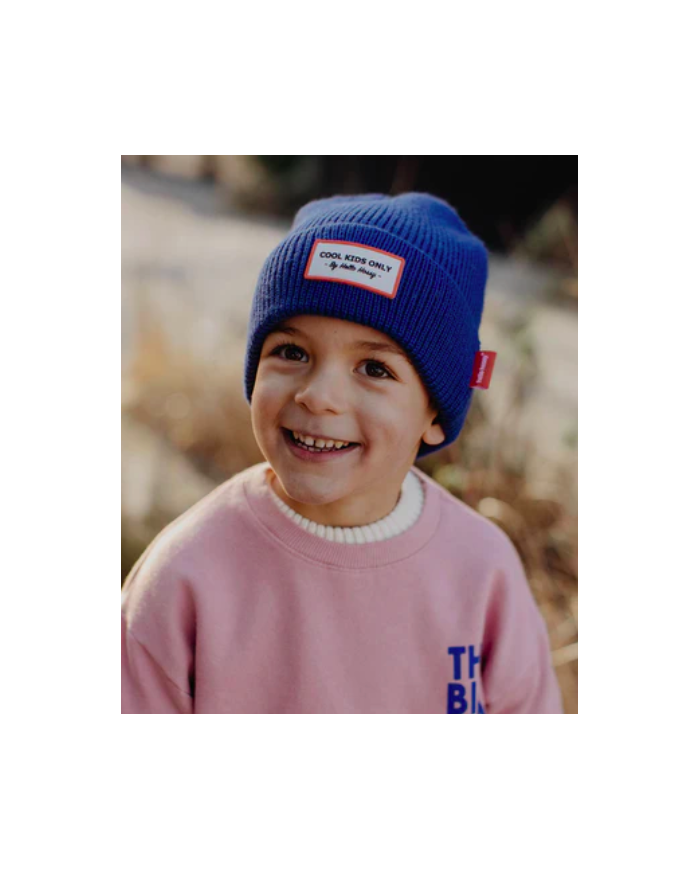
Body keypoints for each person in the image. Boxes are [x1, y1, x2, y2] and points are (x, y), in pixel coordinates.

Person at [121, 192, 563, 714]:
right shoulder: (184, 575)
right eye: (291, 352)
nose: (318, 395)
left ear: (435, 414)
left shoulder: (483, 574)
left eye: (375, 369)